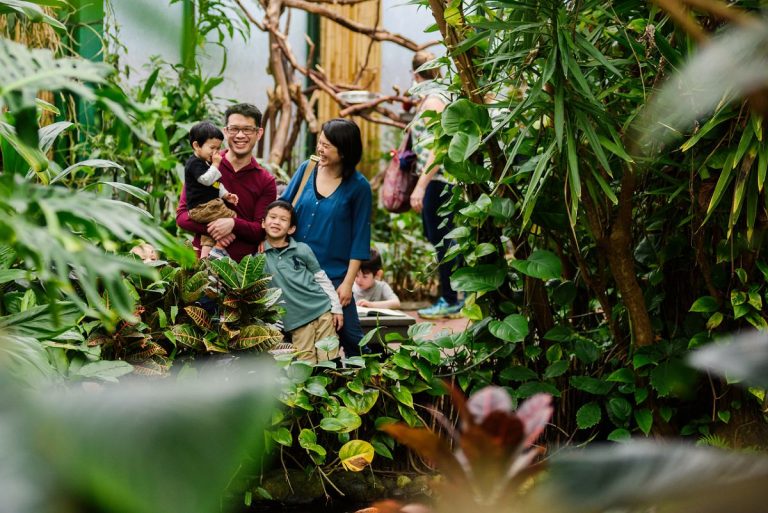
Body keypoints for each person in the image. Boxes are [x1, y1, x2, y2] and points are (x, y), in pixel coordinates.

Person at [280, 118, 372, 357]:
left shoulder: (359, 187)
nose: (320, 149)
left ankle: (366, 384)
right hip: (294, 271)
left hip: (333, 275)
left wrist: (348, 283)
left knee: (350, 336)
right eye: (319, 143)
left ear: (344, 152)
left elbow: (360, 239)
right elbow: (283, 209)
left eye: (327, 146)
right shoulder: (306, 169)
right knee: (292, 335)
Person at [176, 103, 277, 262]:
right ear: (225, 131)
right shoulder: (203, 166)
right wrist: (218, 229)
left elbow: (261, 230)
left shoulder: (266, 181)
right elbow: (182, 217)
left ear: (259, 133)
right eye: (234, 129)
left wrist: (233, 224)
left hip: (241, 273)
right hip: (200, 266)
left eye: (248, 129)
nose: (240, 135)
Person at [408, 50, 463, 320]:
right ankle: (454, 296)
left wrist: (420, 186)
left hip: (438, 180)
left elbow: (438, 148)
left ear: (416, 74)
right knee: (444, 238)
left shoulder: (433, 101)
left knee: (443, 240)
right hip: (442, 180)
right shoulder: (441, 95)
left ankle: (451, 299)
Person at [262, 200, 343, 363]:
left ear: (291, 229)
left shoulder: (302, 249)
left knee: (330, 359)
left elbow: (321, 278)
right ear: (263, 223)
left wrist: (336, 308)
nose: (277, 222)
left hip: (322, 311)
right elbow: (262, 294)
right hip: (296, 321)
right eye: (273, 217)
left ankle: (335, 387)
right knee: (305, 363)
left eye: (283, 219)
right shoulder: (258, 259)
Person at [183, 121, 239, 259]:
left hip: (204, 208)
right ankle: (219, 248)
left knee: (208, 232)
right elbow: (207, 180)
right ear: (196, 145)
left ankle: (205, 257)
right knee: (233, 218)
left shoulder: (205, 162)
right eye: (212, 148)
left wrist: (226, 195)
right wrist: (216, 164)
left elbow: (214, 184)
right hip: (203, 207)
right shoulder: (194, 164)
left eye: (218, 148)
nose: (216, 152)